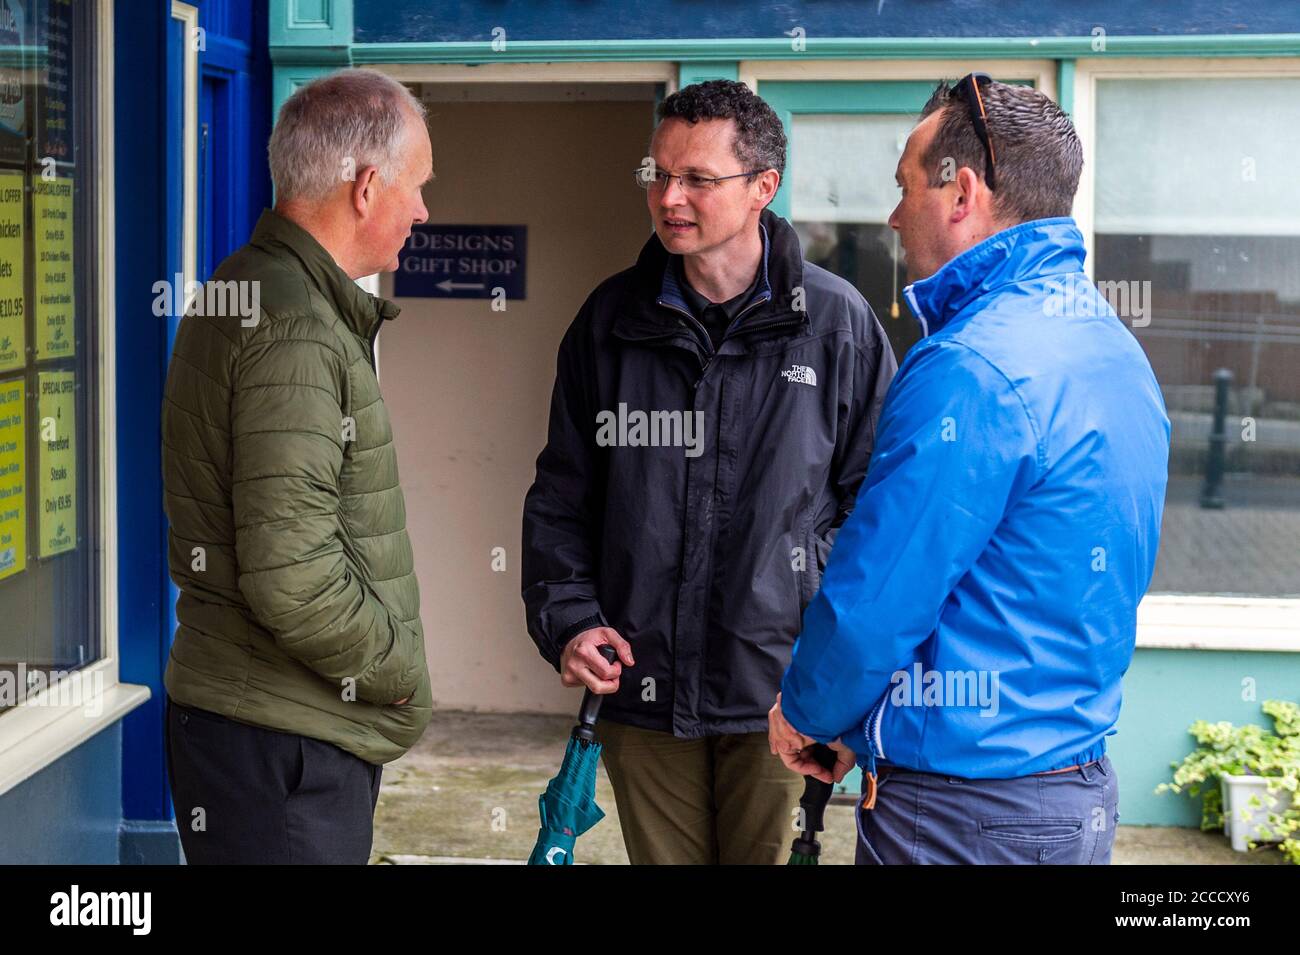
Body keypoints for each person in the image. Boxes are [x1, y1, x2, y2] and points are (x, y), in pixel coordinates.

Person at [769, 74, 1171, 865]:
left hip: (960, 815)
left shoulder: (970, 361)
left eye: (904, 187)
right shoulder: (1114, 349)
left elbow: (881, 592)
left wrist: (810, 710)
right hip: (1072, 794)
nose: (891, 217)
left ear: (961, 192)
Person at [521, 79, 896, 864]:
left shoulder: (837, 328)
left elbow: (879, 520)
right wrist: (570, 619)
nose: (669, 196)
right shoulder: (609, 321)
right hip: (640, 686)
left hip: (781, 695)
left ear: (764, 187)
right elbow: (561, 497)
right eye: (658, 174)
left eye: (697, 178)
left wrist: (843, 678)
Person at [161, 68, 435, 864]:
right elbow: (292, 573)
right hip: (286, 743)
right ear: (366, 185)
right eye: (416, 186)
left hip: (256, 726)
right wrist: (396, 669)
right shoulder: (298, 329)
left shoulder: (246, 282)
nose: (422, 209)